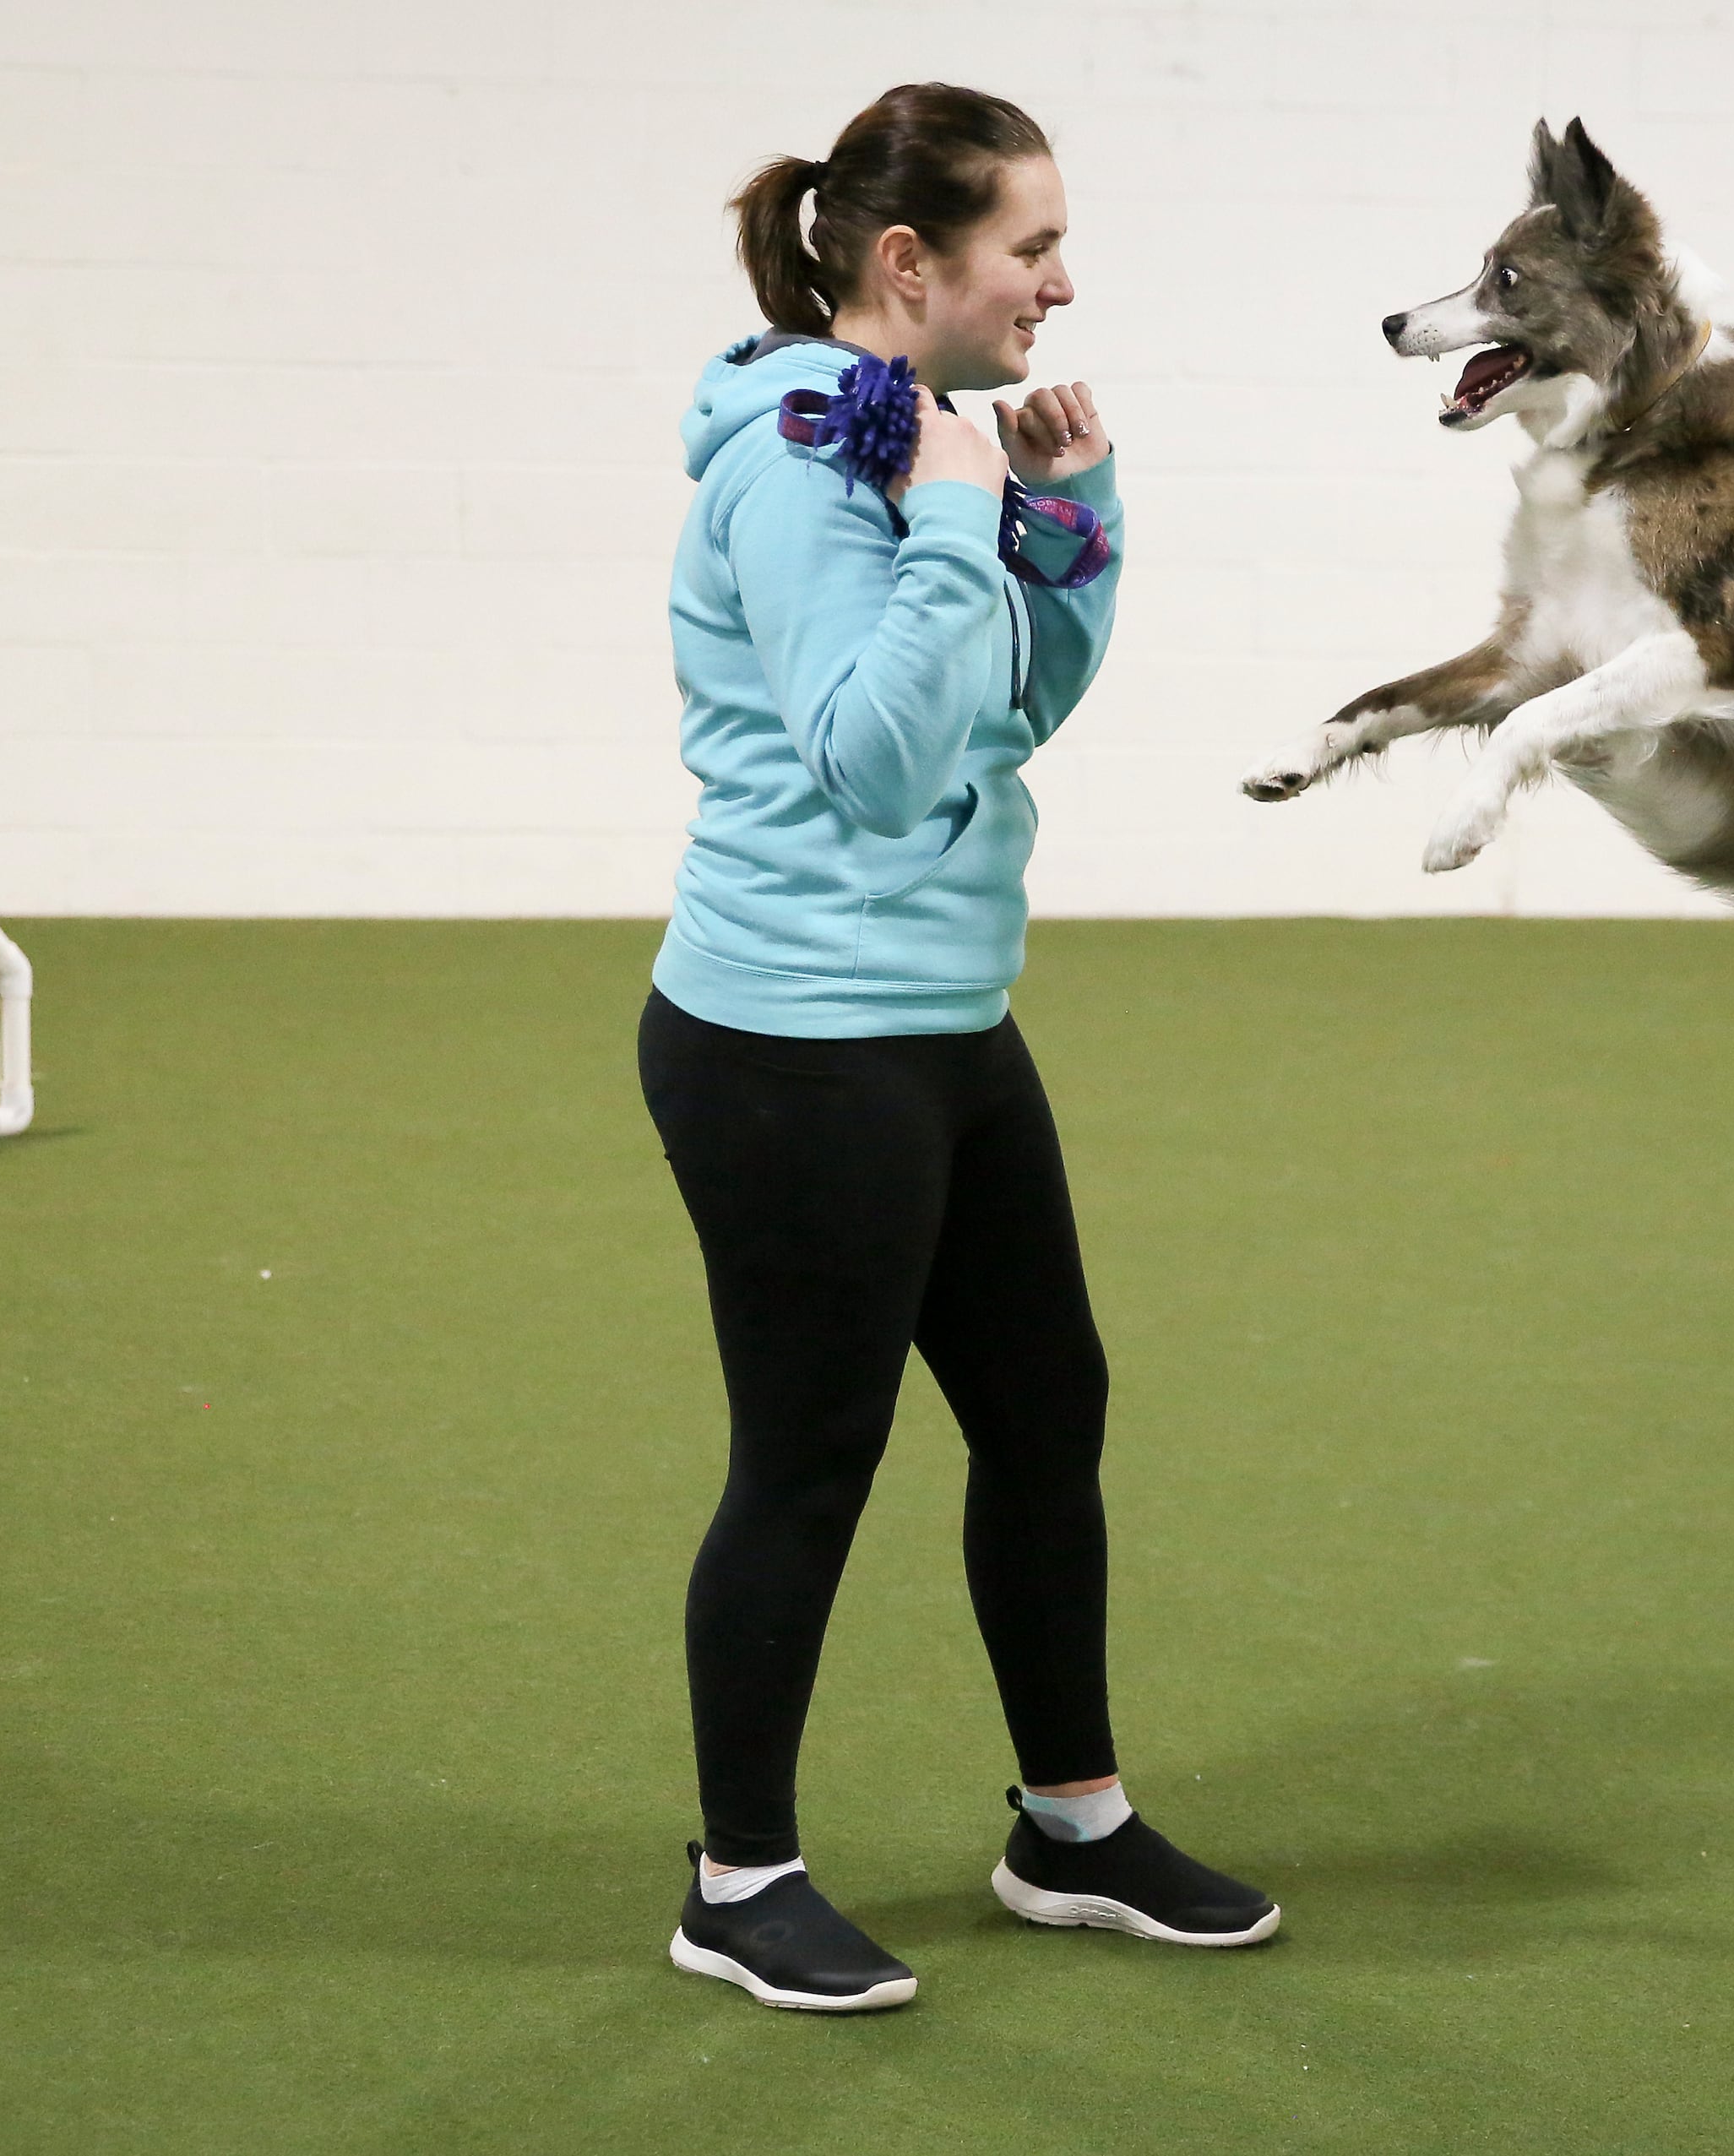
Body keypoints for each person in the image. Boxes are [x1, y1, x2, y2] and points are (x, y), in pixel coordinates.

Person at [640, 82, 1277, 2013]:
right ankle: (738, 1876)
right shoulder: (793, 466)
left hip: (944, 1020)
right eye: (1033, 249)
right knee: (812, 1456)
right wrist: (944, 517)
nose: (1062, 286)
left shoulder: (926, 459)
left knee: (1047, 1408)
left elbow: (1000, 721)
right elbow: (872, 754)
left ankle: (1068, 1824)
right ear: (908, 264)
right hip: (792, 1044)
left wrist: (1057, 517)